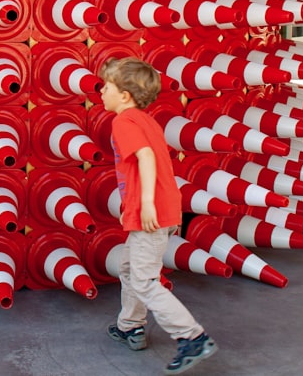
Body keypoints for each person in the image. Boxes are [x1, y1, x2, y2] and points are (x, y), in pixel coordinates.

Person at [99, 57, 217, 375]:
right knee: (129, 268)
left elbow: (146, 157)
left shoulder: (123, 122)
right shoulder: (146, 119)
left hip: (150, 215)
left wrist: (146, 203)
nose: (101, 92)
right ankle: (130, 326)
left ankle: (192, 337)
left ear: (124, 95)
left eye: (106, 87)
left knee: (145, 280)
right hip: (163, 210)